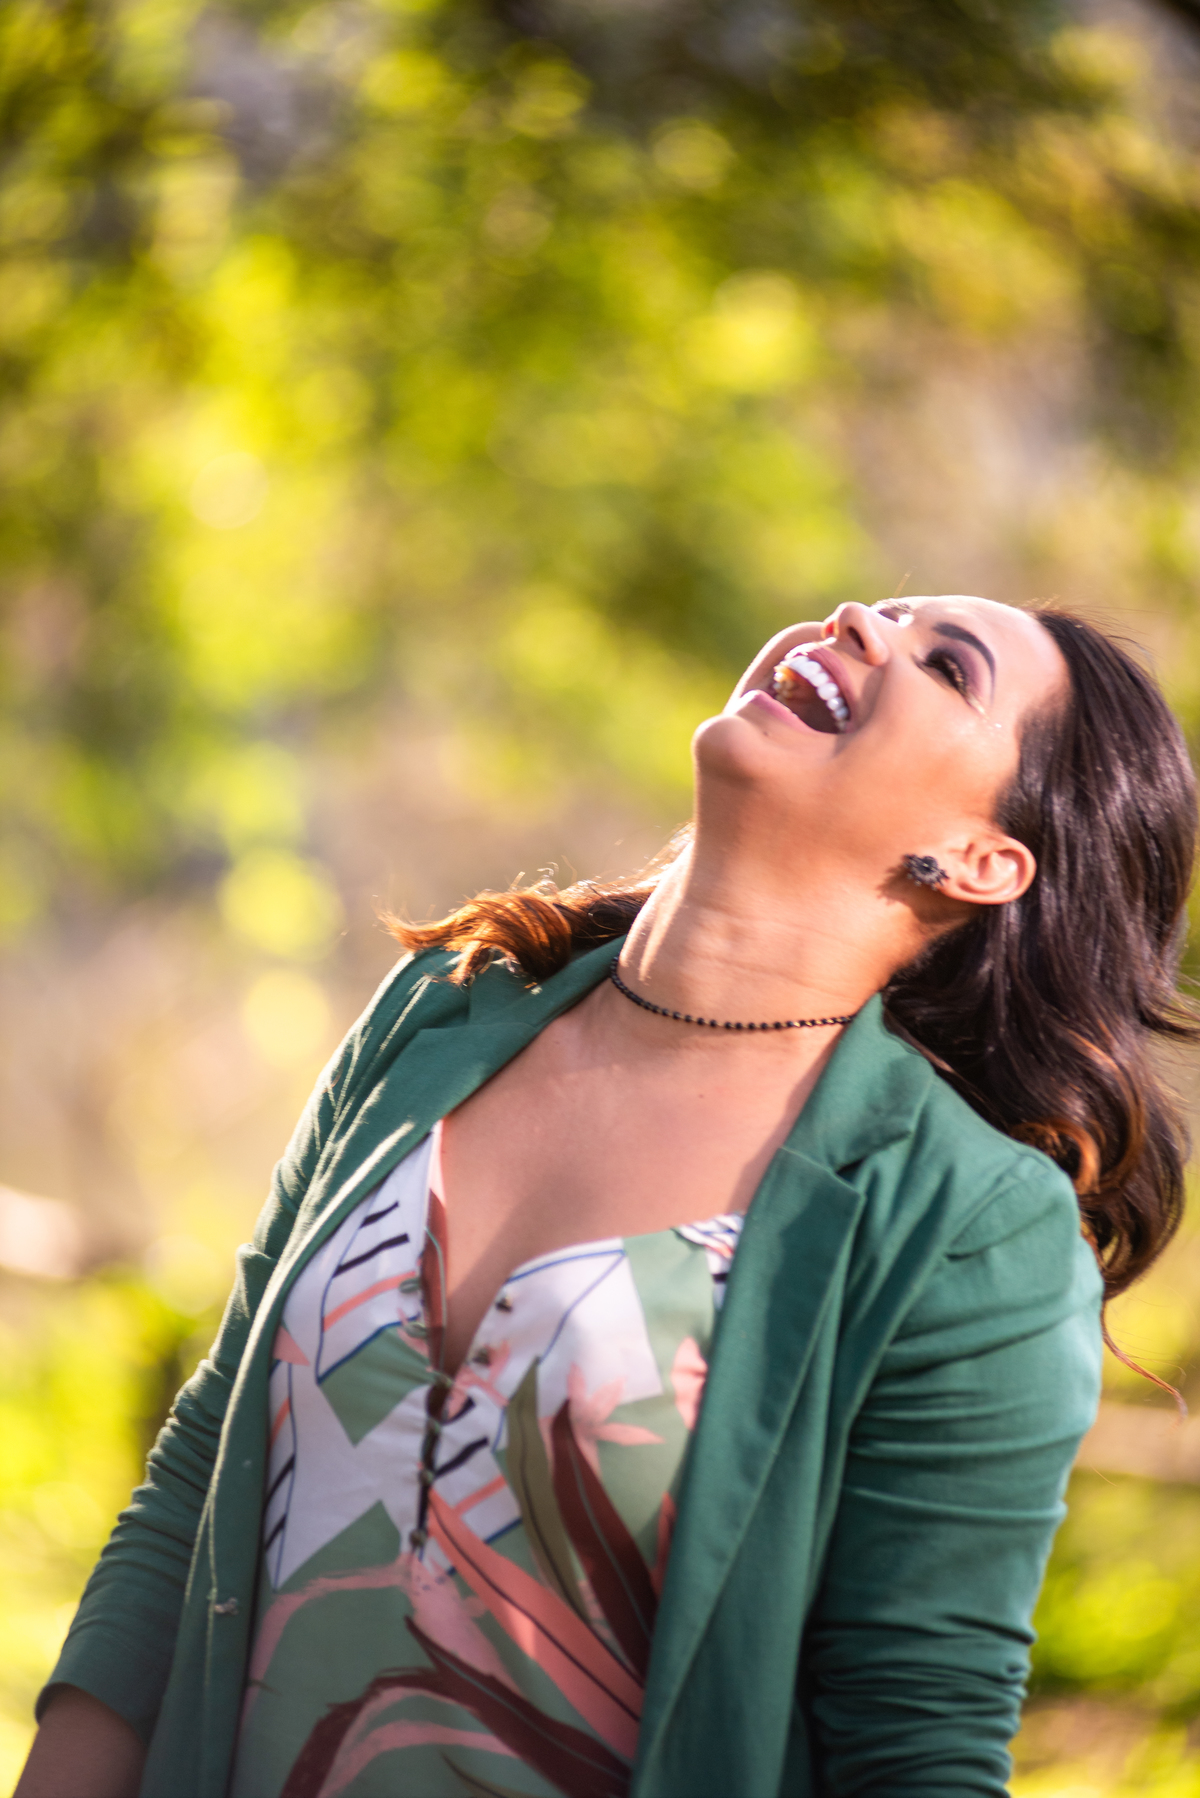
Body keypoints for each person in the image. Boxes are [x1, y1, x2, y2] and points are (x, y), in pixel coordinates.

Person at [17, 596, 1196, 1798]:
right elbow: (199, 1480)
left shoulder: (963, 1225)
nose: (856, 620)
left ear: (983, 860)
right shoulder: (442, 1012)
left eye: (947, 664)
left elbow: (914, 1743)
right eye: (880, 607)